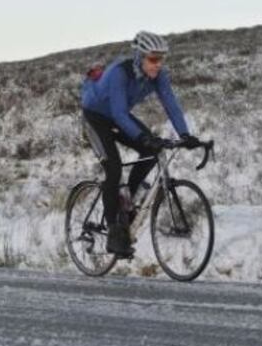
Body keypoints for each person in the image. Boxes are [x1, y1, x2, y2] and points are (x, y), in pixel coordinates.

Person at [80, 31, 201, 257]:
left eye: (161, 59)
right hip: (95, 117)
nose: (158, 64)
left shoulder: (158, 76)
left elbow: (171, 104)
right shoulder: (119, 73)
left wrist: (185, 135)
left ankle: (126, 206)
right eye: (153, 59)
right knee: (113, 168)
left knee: (150, 150)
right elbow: (118, 113)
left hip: (118, 117)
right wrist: (142, 136)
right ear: (140, 56)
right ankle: (115, 233)